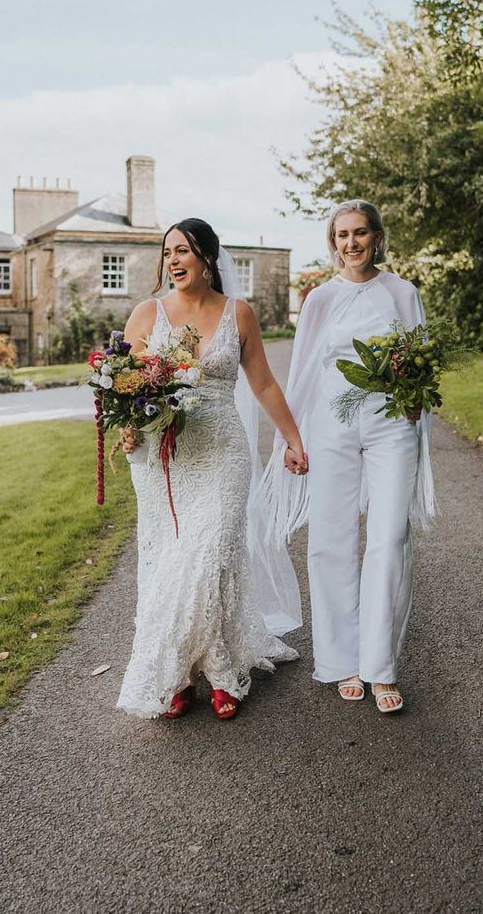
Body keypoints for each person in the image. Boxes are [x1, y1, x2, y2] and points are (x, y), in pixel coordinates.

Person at [116, 218, 307, 721]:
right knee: (169, 563)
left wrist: (292, 438)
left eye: (184, 251)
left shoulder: (237, 314)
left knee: (213, 556)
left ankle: (221, 669)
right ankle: (178, 674)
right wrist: (128, 424)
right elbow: (122, 384)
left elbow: (263, 384)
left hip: (223, 450)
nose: (174, 261)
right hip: (163, 457)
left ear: (208, 258)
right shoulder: (148, 314)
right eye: (167, 252)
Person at [261, 200, 435, 713]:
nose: (351, 243)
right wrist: (292, 441)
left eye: (361, 233)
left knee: (389, 537)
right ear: (332, 242)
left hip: (391, 428)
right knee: (330, 538)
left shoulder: (403, 293)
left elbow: (421, 364)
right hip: (330, 427)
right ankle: (341, 661)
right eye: (342, 235)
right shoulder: (319, 299)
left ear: (377, 237)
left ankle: (381, 667)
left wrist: (413, 405)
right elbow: (302, 376)